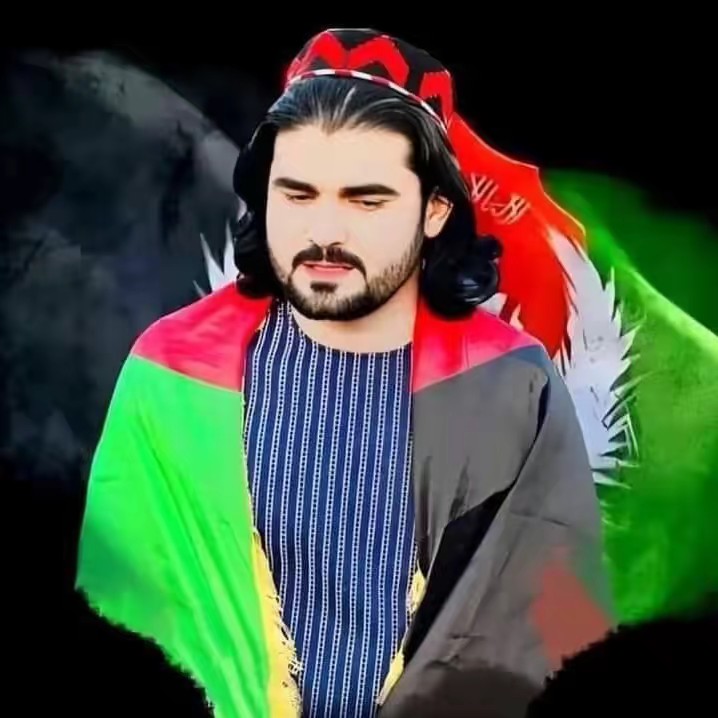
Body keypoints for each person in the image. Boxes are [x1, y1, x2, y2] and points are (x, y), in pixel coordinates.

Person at [74, 28, 614, 718]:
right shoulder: (171, 371)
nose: (324, 231)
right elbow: (125, 612)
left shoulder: (511, 387)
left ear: (435, 210)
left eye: (366, 200)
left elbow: (535, 636)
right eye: (298, 195)